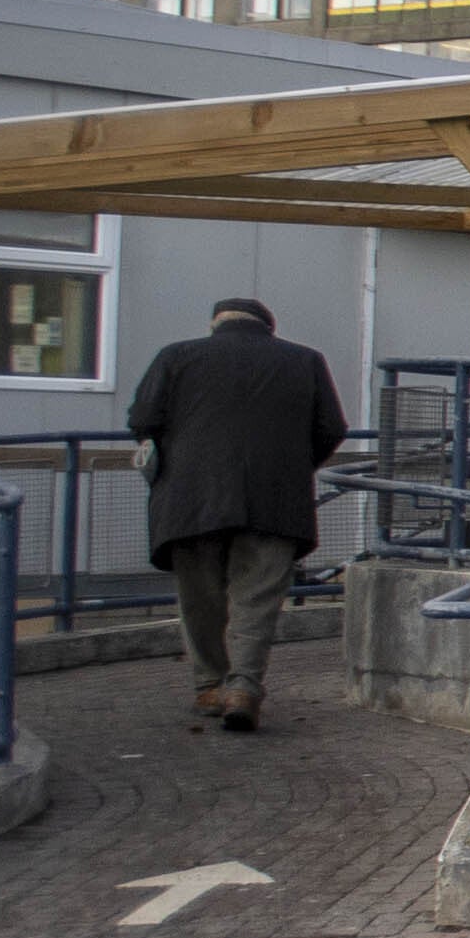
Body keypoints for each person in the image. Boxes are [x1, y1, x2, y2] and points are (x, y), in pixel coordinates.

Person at [126, 292, 350, 735]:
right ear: (269, 326)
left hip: (190, 501)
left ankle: (209, 685)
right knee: (258, 599)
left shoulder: (177, 356)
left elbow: (142, 419)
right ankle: (243, 688)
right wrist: (294, 465)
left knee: (200, 597)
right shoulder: (305, 360)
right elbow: (332, 428)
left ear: (216, 323)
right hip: (275, 501)